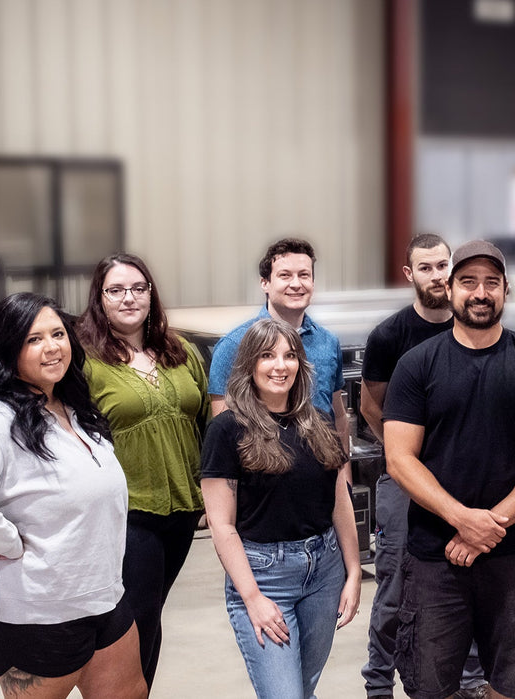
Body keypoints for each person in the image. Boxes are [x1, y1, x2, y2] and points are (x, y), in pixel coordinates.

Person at [0, 292, 148, 699]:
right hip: (36, 607)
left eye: (58, 334)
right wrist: (4, 542)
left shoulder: (70, 405)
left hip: (100, 594)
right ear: (8, 349)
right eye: (33, 339)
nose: (52, 347)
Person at [382, 240, 515, 699]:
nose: (480, 293)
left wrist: (489, 525)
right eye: (468, 282)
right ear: (449, 289)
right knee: (429, 686)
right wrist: (462, 520)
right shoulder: (417, 365)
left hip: (514, 555)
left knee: (512, 685)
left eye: (491, 283)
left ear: (506, 291)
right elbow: (399, 458)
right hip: (434, 555)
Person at [200, 318, 362, 699]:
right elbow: (222, 527)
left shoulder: (319, 422)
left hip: (324, 571)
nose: (280, 365)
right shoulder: (227, 429)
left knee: (302, 689)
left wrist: (353, 571)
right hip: (264, 576)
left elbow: (339, 500)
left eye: (290, 355)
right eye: (267, 356)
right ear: (249, 366)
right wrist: (253, 598)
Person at [358, 233, 489, 699]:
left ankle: (471, 679)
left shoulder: (476, 324)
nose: (438, 275)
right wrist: (405, 457)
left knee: (468, 579)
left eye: (443, 266)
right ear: (410, 274)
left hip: (468, 484)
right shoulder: (391, 335)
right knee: (395, 580)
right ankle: (378, 681)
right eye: (427, 268)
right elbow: (372, 407)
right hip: (405, 481)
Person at [77, 253, 210, 689]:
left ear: (151, 294)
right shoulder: (86, 362)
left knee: (150, 615)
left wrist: (211, 494)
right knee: (138, 618)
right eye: (116, 290)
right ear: (100, 299)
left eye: (138, 288)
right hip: (129, 510)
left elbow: (206, 423)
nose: (129, 298)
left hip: (183, 509)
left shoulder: (181, 351)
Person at [209, 238, 347, 442]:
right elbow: (223, 431)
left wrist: (344, 472)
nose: (296, 284)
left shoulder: (328, 342)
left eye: (304, 275)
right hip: (263, 467)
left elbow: (338, 416)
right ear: (265, 283)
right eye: (285, 275)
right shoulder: (233, 345)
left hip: (322, 467)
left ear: (313, 283)